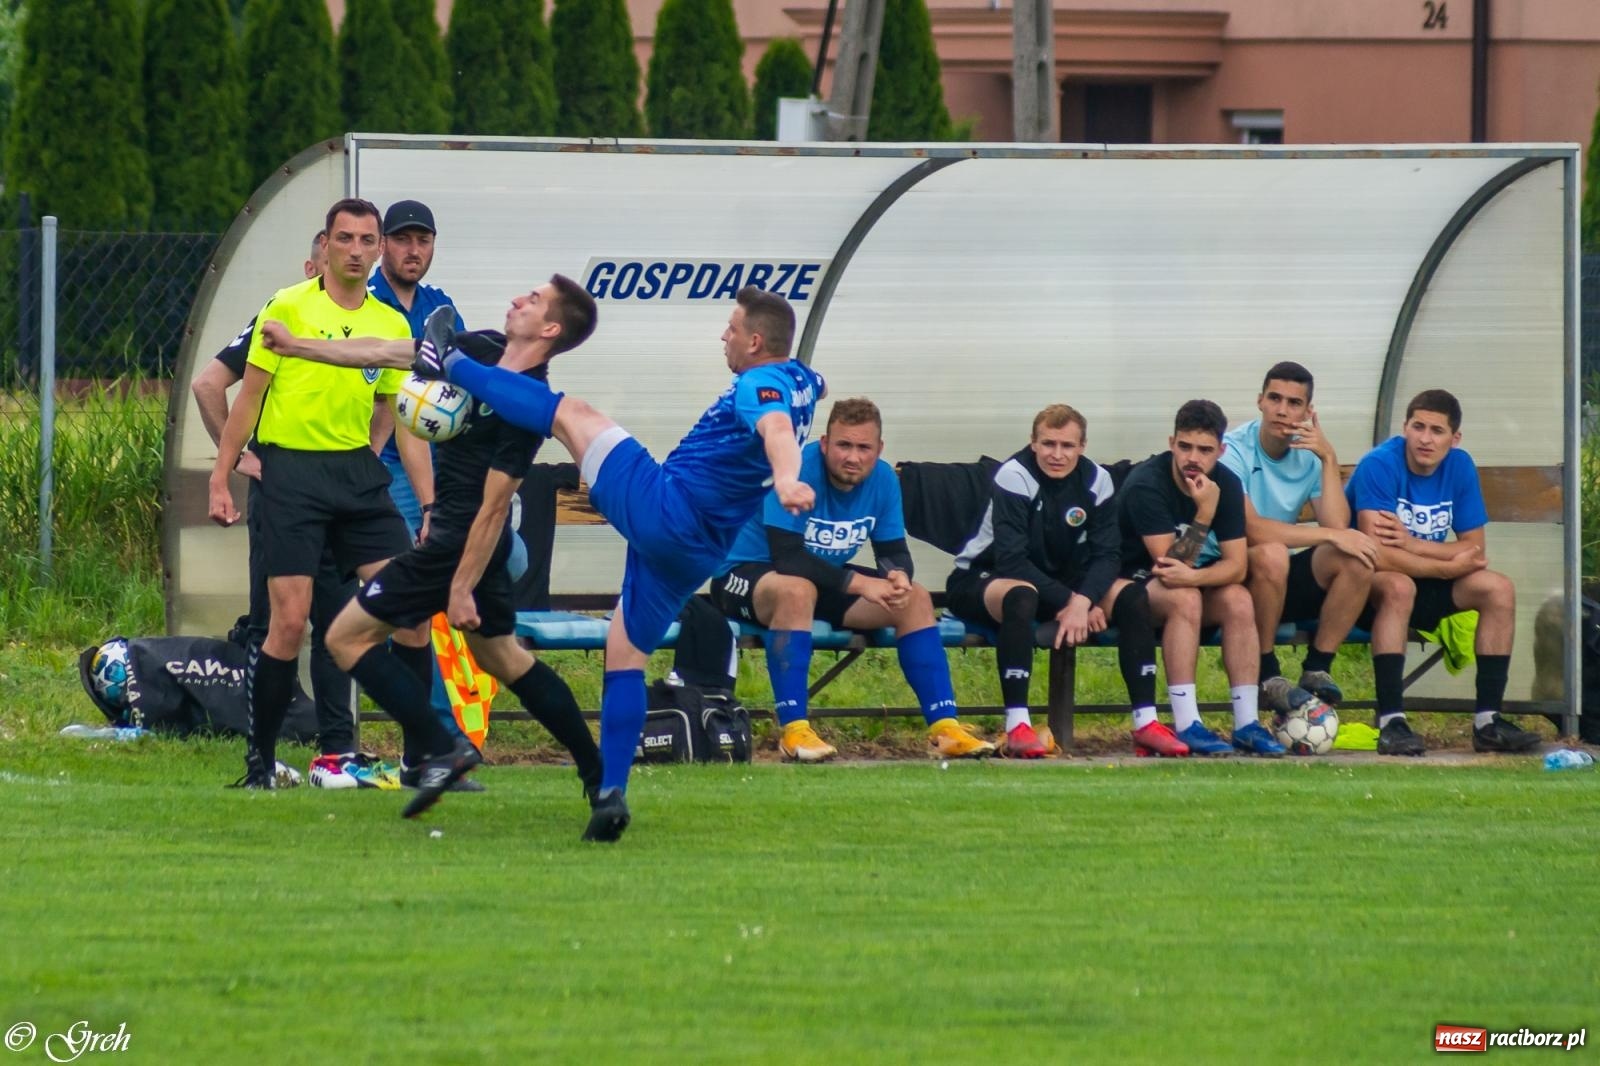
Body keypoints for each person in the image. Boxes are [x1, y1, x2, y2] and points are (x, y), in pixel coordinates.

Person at [413, 285, 825, 842]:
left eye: (731, 328)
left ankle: (456, 362)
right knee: (625, 652)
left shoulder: (761, 383)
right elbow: (789, 413)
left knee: (571, 414)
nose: (723, 336)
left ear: (756, 341)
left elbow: (775, 427)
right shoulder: (807, 378)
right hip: (699, 549)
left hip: (666, 508)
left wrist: (785, 477)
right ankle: (610, 794)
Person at [256, 276, 606, 815]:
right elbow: (383, 350)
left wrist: (461, 585)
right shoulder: (479, 348)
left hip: (460, 545)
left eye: (533, 301)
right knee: (503, 657)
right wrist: (298, 345)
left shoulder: (528, 404)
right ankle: (598, 777)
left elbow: (495, 507)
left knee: (344, 637)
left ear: (551, 329)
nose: (516, 299)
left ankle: (441, 748)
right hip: (463, 546)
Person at [207, 198, 434, 789]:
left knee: (408, 611)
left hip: (357, 477)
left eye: (367, 240)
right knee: (289, 622)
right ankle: (259, 765)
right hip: (291, 477)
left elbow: (398, 415)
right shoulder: (287, 307)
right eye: (345, 239)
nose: (356, 251)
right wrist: (223, 475)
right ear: (326, 246)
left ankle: (420, 761)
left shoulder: (392, 322)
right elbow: (248, 397)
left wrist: (429, 505)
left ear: (378, 249)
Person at [712, 396, 994, 762]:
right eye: (843, 445)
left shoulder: (883, 481)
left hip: (820, 580)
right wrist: (862, 584)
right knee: (797, 590)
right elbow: (788, 557)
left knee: (916, 599)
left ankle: (945, 729)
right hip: (746, 574)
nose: (853, 457)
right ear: (826, 443)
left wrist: (897, 576)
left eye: (864, 447)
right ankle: (794, 730)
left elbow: (893, 549)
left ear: (879, 449)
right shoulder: (797, 469)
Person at [946, 404, 1161, 758]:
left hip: (1059, 584)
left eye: (1067, 446)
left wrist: (1082, 601)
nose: (1057, 454)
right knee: (1021, 595)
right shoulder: (1014, 475)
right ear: (1033, 443)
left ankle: (1146, 724)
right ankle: (1017, 725)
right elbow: (1011, 560)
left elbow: (1108, 555)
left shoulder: (1097, 480)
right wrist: (1072, 601)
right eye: (1048, 444)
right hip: (982, 577)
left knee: (1133, 597)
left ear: (1083, 446)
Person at [365, 198, 495, 780]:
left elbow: (456, 392)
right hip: (387, 465)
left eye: (423, 240)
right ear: (384, 245)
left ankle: (445, 737)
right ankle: (434, 741)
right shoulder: (368, 302)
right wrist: (429, 505)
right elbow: (397, 411)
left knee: (494, 566)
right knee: (420, 597)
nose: (412, 250)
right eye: (402, 239)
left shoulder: (442, 307)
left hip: (440, 465)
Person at [1345, 388, 1540, 756]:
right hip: (1369, 588)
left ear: (1455, 438)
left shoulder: (1460, 465)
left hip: (1429, 579)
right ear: (1404, 427)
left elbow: (1475, 549)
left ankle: (1487, 722)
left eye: (1437, 430)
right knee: (1399, 586)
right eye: (1417, 426)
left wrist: (1412, 543)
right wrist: (1444, 563)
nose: (1425, 438)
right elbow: (1377, 553)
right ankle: (1392, 723)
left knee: (1499, 588)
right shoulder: (1379, 464)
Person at [1218, 361, 1414, 726]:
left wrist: (1328, 458)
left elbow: (1338, 525)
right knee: (1273, 553)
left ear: (1308, 412)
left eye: (1294, 403)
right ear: (1260, 401)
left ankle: (1317, 668)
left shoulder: (1309, 454)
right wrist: (1328, 534)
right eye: (1275, 398)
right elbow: (1252, 530)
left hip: (1279, 579)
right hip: (1235, 574)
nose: (1282, 409)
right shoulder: (1234, 450)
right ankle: (1266, 670)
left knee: (1355, 556)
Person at [1117, 400, 1285, 757]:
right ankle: (1187, 723)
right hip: (1129, 586)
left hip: (1182, 583)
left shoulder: (1225, 481)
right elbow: (1169, 567)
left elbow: (1237, 566)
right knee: (1185, 597)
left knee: (1238, 598)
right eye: (1185, 446)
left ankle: (1246, 723)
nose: (1194, 458)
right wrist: (1205, 510)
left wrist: (1201, 576)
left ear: (1221, 451)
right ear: (1171, 443)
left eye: (1205, 450)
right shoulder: (1147, 484)